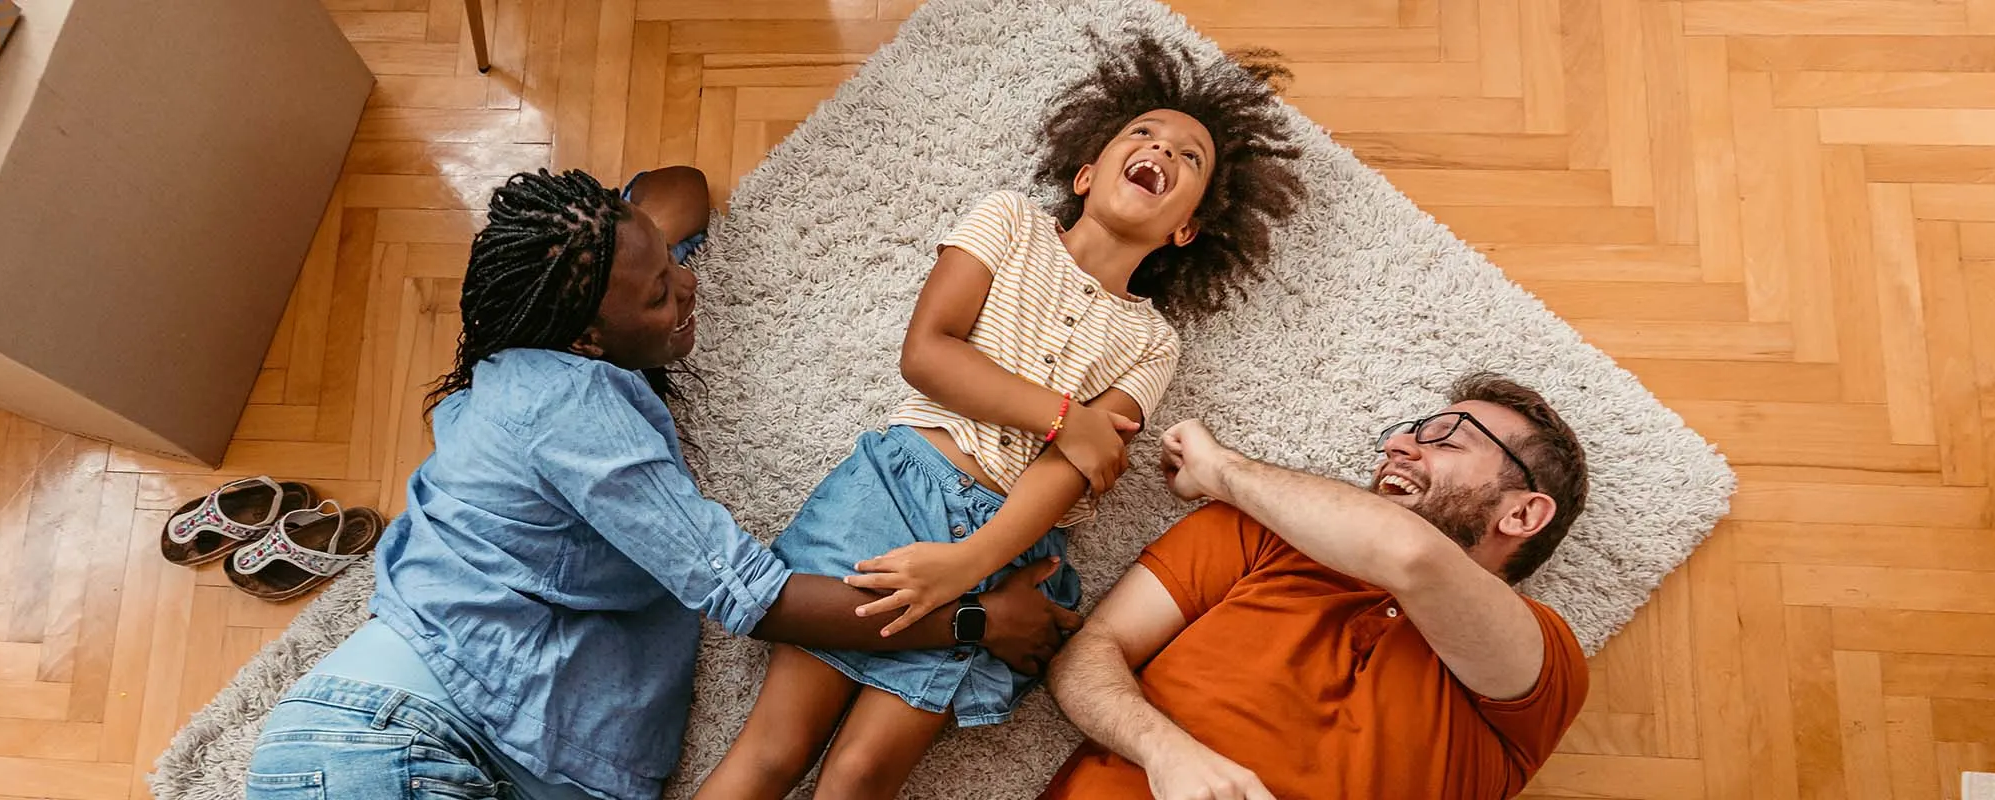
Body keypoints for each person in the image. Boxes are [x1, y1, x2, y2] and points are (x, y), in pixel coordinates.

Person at [240, 166, 1082, 800]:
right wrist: (973, 618)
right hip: (392, 740)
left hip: (449, 739)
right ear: (591, 340)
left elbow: (681, 186)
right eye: (657, 294)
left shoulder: (570, 310)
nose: (688, 286)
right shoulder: (572, 411)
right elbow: (751, 596)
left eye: (667, 262)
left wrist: (630, 223)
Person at [695, 38, 1305, 800]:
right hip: (894, 489)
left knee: (854, 778)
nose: (1163, 150)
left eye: (1191, 157)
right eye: (1143, 134)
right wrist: (1065, 416)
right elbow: (927, 352)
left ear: (1185, 229)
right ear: (1087, 173)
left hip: (1007, 547)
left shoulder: (1153, 342)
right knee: (773, 751)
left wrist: (968, 565)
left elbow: (1072, 470)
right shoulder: (1010, 223)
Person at [1044, 374, 1593, 800]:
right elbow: (1088, 654)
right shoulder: (1255, 530)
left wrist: (1221, 468)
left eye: (1448, 440)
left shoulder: (1544, 662)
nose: (1399, 444)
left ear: (1522, 515)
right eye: (1410, 430)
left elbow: (1412, 556)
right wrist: (1165, 752)